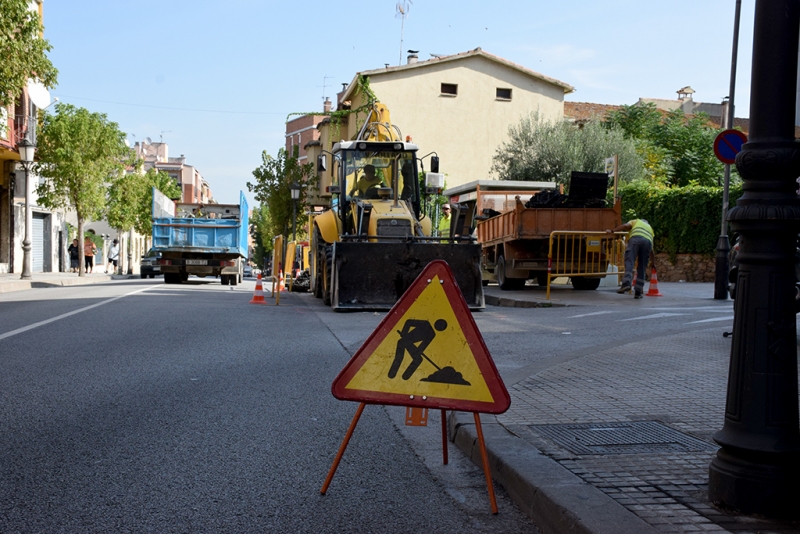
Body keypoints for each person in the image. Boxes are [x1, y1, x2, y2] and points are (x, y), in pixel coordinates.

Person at [607, 219, 654, 299]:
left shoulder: (636, 221)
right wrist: (653, 263)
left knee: (630, 261)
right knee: (642, 266)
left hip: (635, 239)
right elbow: (652, 251)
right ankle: (638, 292)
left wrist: (612, 231)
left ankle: (626, 283)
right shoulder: (650, 229)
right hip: (647, 243)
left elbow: (625, 226)